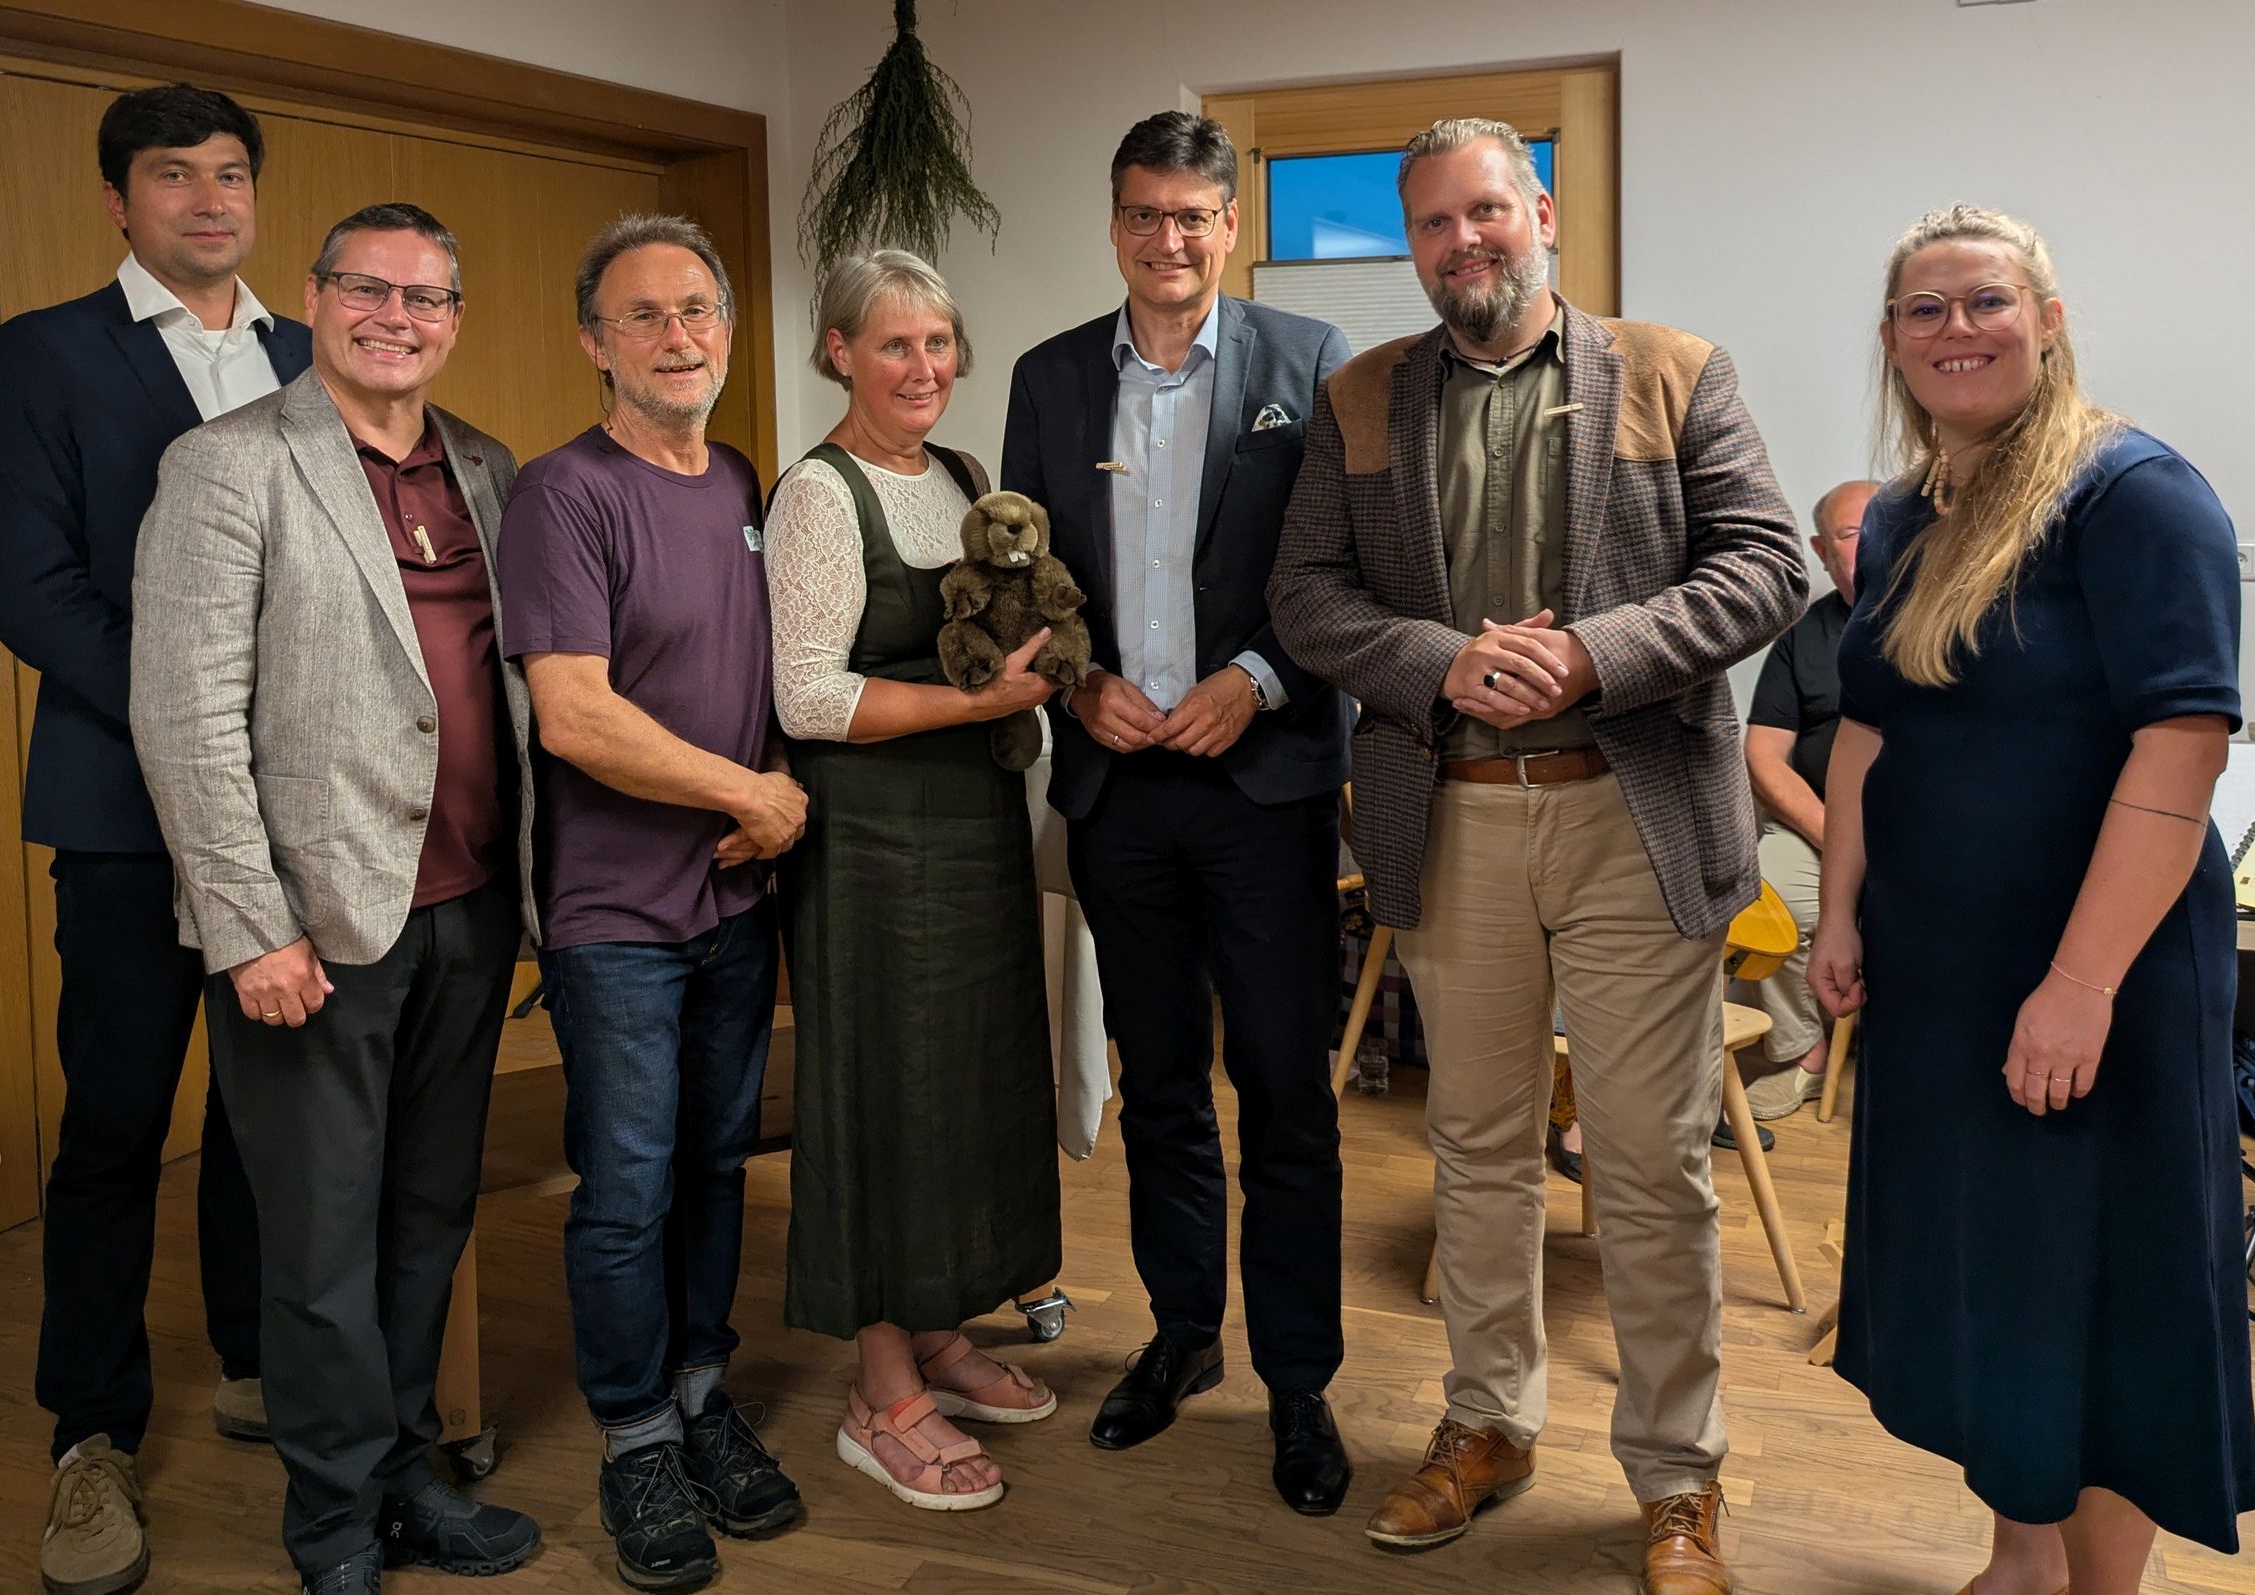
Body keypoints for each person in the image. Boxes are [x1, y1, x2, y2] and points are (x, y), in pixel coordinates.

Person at [1269, 117, 1803, 1592]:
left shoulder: (1677, 370)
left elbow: (1766, 562)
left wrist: (1590, 655)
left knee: (1651, 1166)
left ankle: (1676, 1477)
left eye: (1487, 213)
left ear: (1543, 212)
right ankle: (1489, 1421)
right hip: (1453, 824)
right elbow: (1305, 594)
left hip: (1635, 819)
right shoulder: (1363, 397)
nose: (1464, 245)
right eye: (1434, 226)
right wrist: (1443, 659)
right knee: (1476, 1151)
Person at [1809, 204, 2255, 1595]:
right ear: (1890, 341)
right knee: (1996, 1275)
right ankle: (2018, 1554)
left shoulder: (2136, 494)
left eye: (1985, 302)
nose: (1957, 331)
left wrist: (2077, 986)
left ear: (2048, 321)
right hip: (1941, 969)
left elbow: (2181, 743)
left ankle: (2099, 1586)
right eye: (1924, 310)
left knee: (2101, 1288)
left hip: (2099, 976)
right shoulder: (1897, 514)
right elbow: (1869, 729)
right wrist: (1839, 909)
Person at [131, 202, 541, 1594]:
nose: (397, 315)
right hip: (314, 927)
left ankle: (411, 1467)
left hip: (472, 907)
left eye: (427, 296)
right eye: (369, 288)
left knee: (427, 1216)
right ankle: (331, 1521)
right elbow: (185, 720)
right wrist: (252, 925)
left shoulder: (485, 467)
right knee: (316, 1243)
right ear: (312, 299)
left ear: (456, 318)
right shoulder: (228, 466)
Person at [0, 81, 308, 1595]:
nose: (210, 199)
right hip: (122, 812)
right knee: (115, 1121)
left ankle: (253, 1359)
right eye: (176, 175)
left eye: (232, 173)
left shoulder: (311, 351)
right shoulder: (44, 354)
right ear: (121, 199)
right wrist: (205, 728)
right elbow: (38, 594)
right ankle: (88, 1433)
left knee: (264, 1108)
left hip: (300, 810)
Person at [1001, 110, 1355, 1516]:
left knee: (1282, 1088)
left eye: (1194, 217)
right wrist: (1071, 686)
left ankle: (1302, 1378)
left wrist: (1260, 678)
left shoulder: (1309, 364)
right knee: (1158, 1087)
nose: (1169, 240)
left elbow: (1339, 567)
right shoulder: (1043, 377)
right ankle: (1183, 1335)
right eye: (1145, 214)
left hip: (1261, 788)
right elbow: (1025, 571)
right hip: (1118, 793)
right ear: (1115, 223)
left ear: (1229, 228)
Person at [497, 214, 804, 1590]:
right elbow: (572, 714)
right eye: (644, 317)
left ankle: (698, 1393)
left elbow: (758, 670)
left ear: (726, 330)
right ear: (593, 342)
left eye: (697, 311)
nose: (679, 337)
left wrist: (774, 778)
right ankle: (633, 1440)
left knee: (714, 1161)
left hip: (736, 904)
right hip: (616, 910)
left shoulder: (740, 477)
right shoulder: (563, 495)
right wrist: (743, 792)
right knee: (624, 1186)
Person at [762, 248, 1061, 1512]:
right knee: (886, 1087)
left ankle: (938, 1326)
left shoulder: (964, 479)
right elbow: (807, 694)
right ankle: (880, 1385)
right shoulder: (818, 495)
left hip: (974, 827)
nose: (925, 367)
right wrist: (972, 700)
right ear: (838, 352)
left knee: (967, 1079)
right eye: (894, 344)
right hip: (873, 839)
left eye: (940, 342)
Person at [1742, 479, 1879, 1120]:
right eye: (1853, 535)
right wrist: (1837, 837)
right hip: (1817, 828)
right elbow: (1764, 757)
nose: (1874, 544)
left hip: (1928, 832)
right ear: (1823, 550)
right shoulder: (1802, 636)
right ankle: (1802, 1050)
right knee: (1763, 895)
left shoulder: (1951, 618)